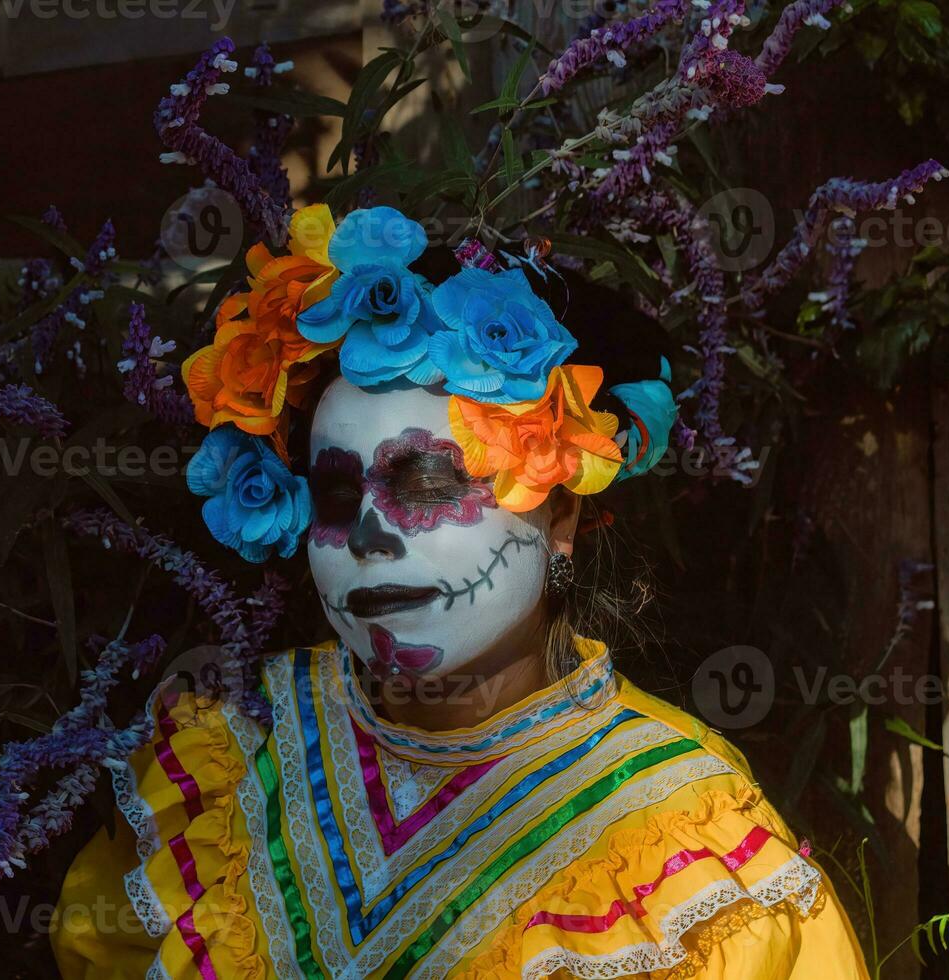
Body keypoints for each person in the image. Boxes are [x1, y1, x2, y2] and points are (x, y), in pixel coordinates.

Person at [52, 205, 870, 978]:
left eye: (431, 484)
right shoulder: (234, 753)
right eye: (336, 496)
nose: (367, 538)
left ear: (561, 518)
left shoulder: (685, 827)